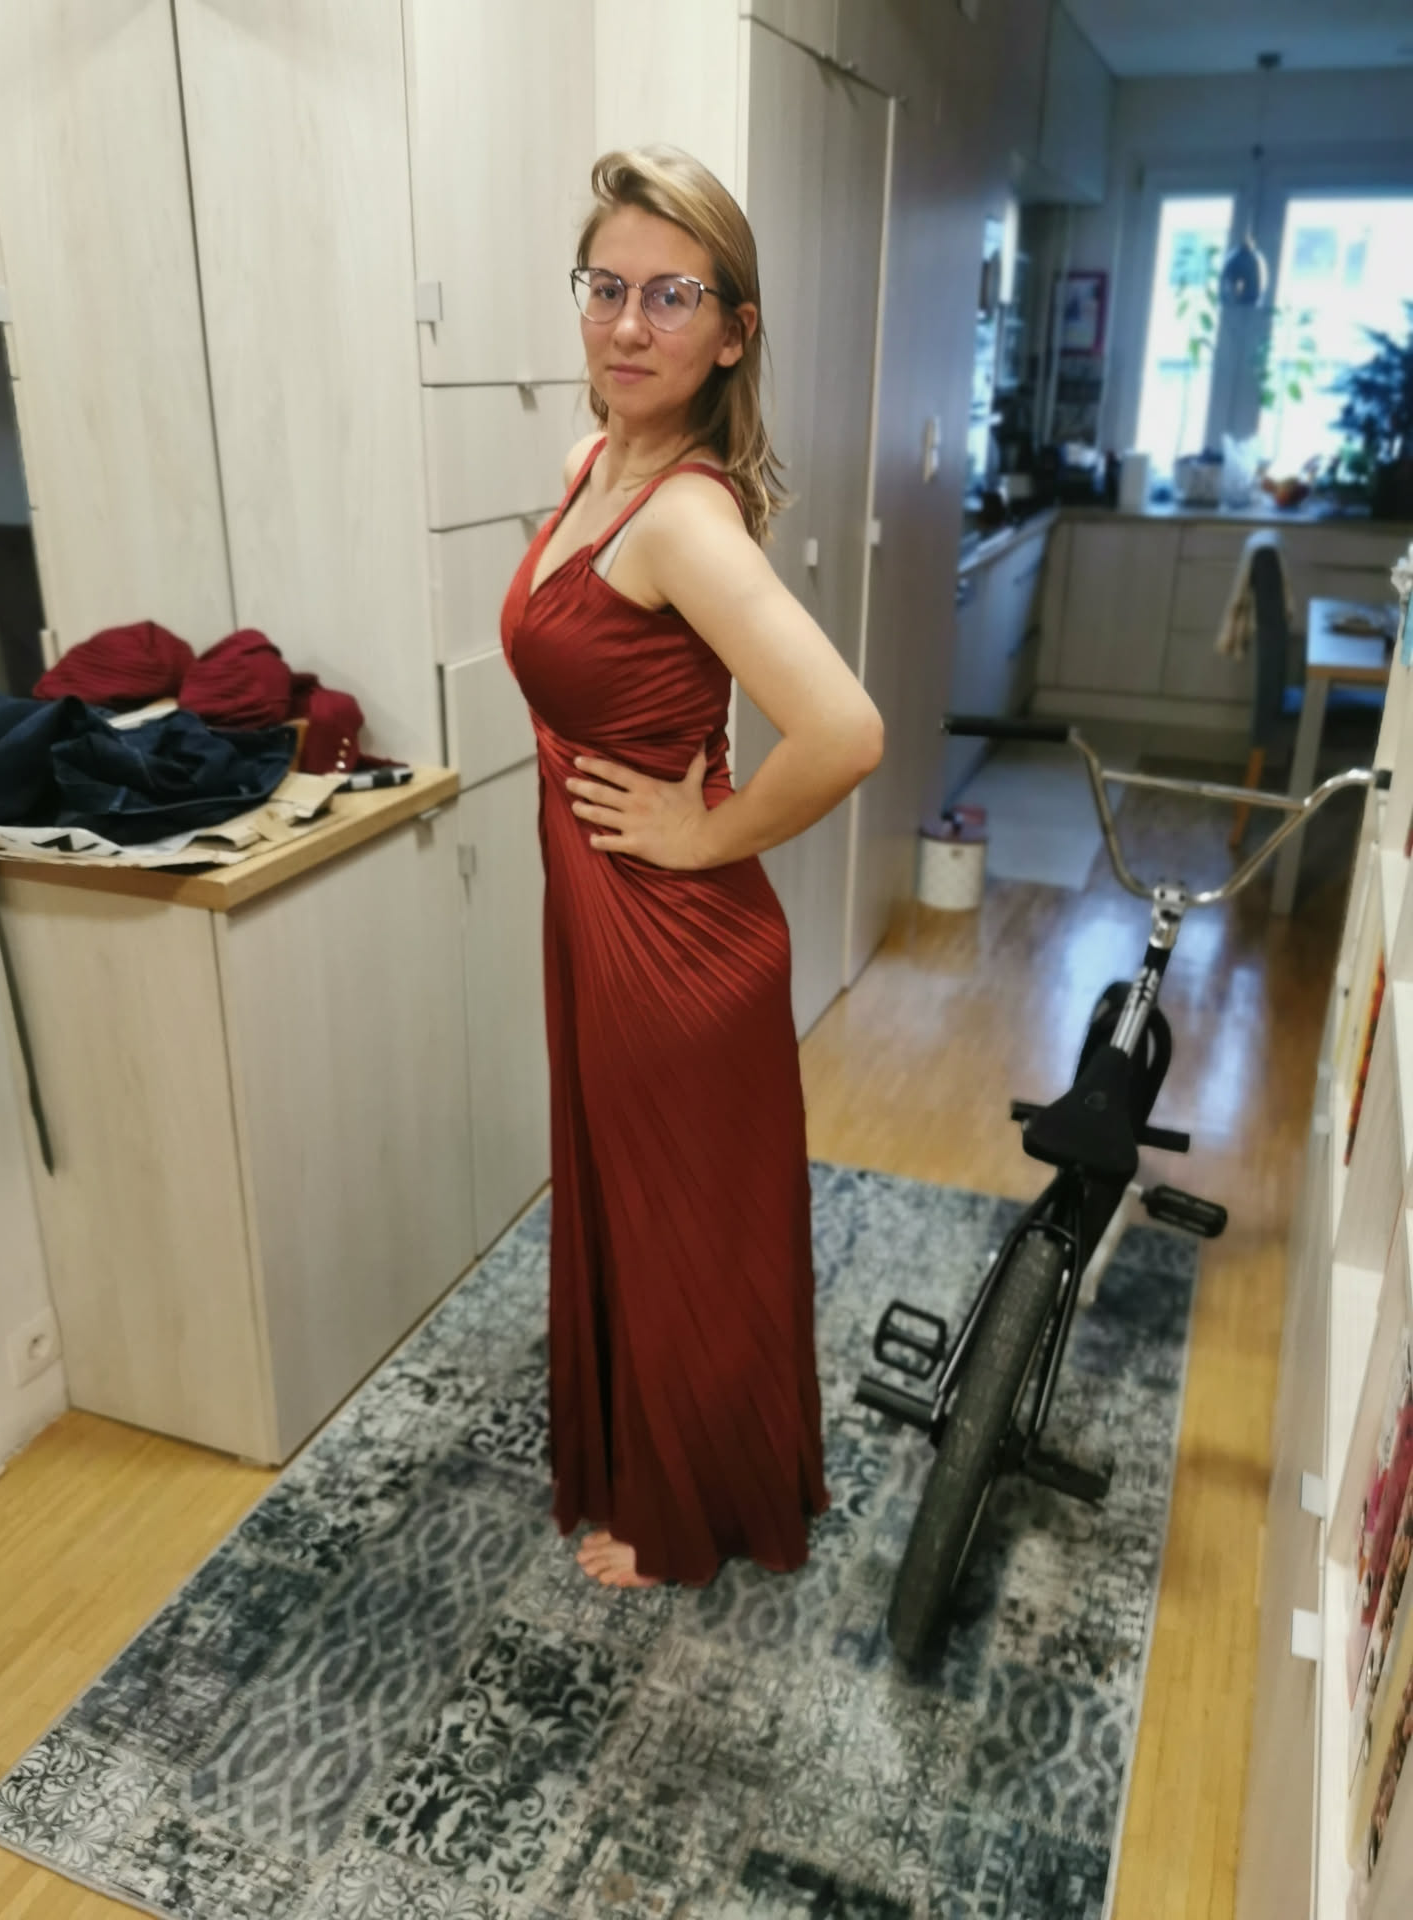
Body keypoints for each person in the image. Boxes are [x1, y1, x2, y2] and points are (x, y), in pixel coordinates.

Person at [500, 146, 883, 1589]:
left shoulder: (683, 517)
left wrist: (703, 832)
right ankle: (661, 1462)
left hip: (678, 942)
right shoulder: (594, 469)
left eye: (672, 295)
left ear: (733, 331)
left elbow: (845, 731)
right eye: (606, 287)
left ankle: (685, 1517)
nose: (627, 323)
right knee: (642, 1210)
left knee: (683, 1233)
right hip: (603, 918)